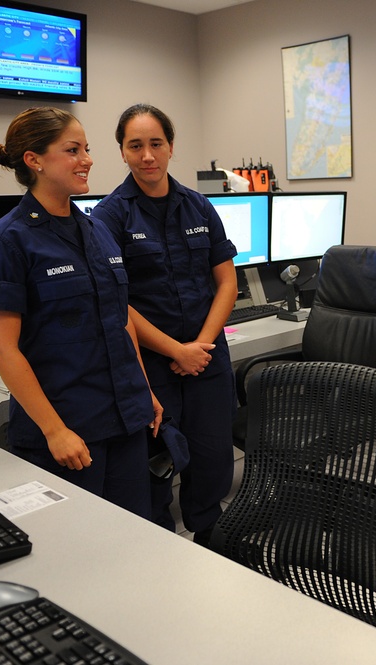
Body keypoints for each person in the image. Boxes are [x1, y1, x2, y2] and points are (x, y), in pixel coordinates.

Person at [0, 107, 162, 518]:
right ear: (34, 160)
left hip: (125, 420)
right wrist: (55, 430)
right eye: (73, 150)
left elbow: (120, 317)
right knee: (82, 554)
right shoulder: (5, 242)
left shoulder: (98, 229)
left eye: (87, 149)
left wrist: (143, 389)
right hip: (67, 430)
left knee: (136, 540)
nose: (87, 159)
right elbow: (3, 350)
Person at [91, 104, 238, 548]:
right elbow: (118, 301)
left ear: (171, 146)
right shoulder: (109, 216)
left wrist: (200, 346)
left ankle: (209, 534)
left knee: (213, 453)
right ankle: (161, 544)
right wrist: (176, 351)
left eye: (156, 143)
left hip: (207, 356)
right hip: (150, 363)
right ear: (122, 151)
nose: (147, 155)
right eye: (135, 145)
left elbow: (227, 281)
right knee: (158, 458)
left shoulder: (198, 205)